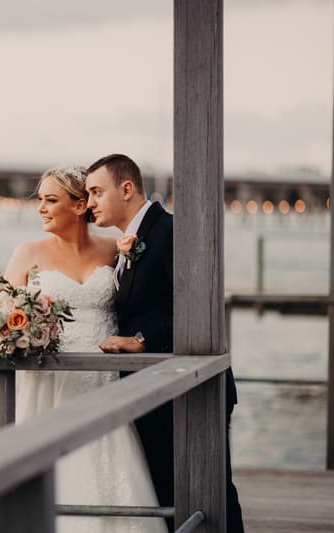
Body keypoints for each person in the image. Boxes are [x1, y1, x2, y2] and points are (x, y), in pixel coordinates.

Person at [85, 153, 244, 533]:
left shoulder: (170, 231)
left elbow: (196, 306)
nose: (89, 203)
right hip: (155, 390)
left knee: (210, 494)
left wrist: (140, 340)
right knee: (169, 494)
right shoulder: (131, 240)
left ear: (126, 189)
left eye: (95, 192)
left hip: (187, 390)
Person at [4, 166, 167, 533]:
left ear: (80, 206)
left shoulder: (116, 249)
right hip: (52, 384)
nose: (41, 209)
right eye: (40, 201)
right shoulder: (27, 252)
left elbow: (148, 300)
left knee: (112, 468)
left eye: (51, 200)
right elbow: (2, 316)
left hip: (106, 382)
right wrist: (22, 331)